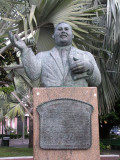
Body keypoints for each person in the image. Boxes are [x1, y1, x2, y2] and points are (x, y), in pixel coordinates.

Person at [8, 22, 101, 87]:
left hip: (79, 100)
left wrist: (90, 68)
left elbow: (97, 81)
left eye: (66, 29)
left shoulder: (86, 55)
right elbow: (33, 75)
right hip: (50, 100)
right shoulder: (42, 56)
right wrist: (24, 50)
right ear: (53, 36)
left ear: (72, 35)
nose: (63, 31)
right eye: (59, 29)